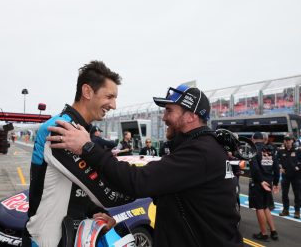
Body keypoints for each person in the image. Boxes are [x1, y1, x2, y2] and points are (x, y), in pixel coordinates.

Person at [48, 83, 243, 247]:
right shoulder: (201, 148)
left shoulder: (201, 153)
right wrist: (109, 217)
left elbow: (137, 181)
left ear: (190, 116)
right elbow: (158, 192)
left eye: (169, 111)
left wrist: (87, 148)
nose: (164, 117)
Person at [23, 61, 130, 247]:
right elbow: (106, 193)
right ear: (87, 92)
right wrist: (153, 186)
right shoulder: (61, 128)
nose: (113, 105)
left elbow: (78, 188)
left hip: (72, 236)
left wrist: (98, 212)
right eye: (109, 96)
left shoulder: (81, 133)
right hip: (46, 241)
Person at [249, 132, 279, 241]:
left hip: (258, 182)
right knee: (266, 206)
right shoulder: (269, 150)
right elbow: (276, 167)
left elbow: (255, 168)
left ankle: (264, 233)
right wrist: (275, 183)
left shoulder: (253, 150)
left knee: (259, 207)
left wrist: (261, 181)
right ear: (263, 139)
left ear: (253, 139)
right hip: (269, 181)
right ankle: (273, 232)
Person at [277, 134, 301, 219]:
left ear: (292, 140)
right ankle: (285, 210)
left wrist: (298, 167)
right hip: (285, 175)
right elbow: (277, 160)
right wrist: (280, 167)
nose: (287, 141)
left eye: (289, 140)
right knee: (284, 194)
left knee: (297, 194)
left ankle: (297, 211)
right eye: (286, 140)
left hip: (296, 176)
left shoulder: (298, 150)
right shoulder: (281, 150)